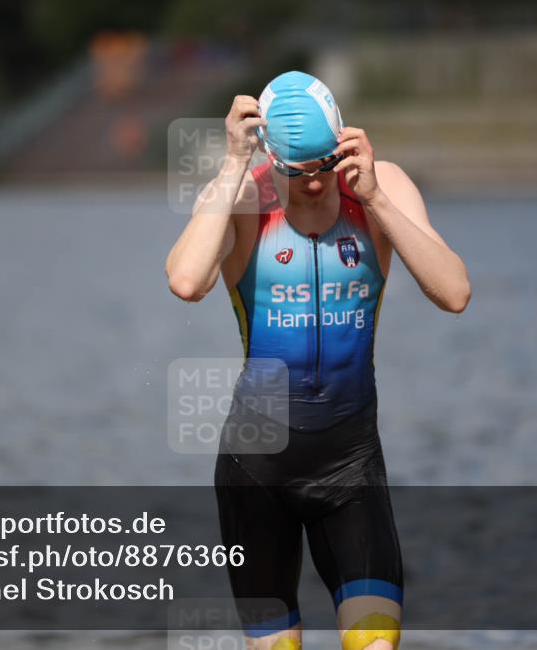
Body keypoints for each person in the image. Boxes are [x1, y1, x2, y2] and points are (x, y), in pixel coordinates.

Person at [165, 71, 471, 650]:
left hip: (350, 463)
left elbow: (454, 292)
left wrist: (377, 198)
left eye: (322, 166)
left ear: (342, 143)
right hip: (256, 469)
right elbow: (186, 280)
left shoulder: (382, 188)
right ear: (273, 158)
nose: (311, 184)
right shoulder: (244, 197)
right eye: (295, 171)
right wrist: (232, 167)